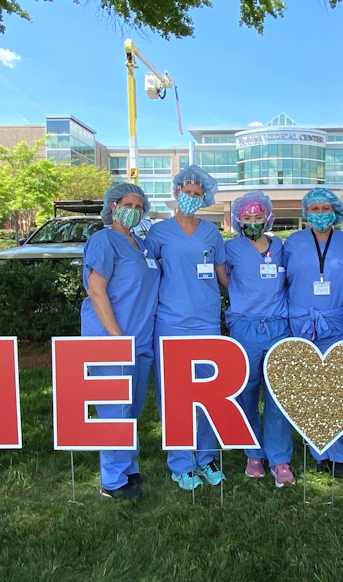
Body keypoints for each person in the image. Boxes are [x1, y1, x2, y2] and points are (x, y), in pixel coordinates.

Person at [146, 165, 230, 491]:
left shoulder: (211, 233)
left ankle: (206, 458)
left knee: (209, 393)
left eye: (198, 194)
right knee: (175, 396)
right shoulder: (158, 233)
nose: (192, 198)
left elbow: (224, 278)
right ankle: (181, 463)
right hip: (170, 323)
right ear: (176, 193)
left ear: (205, 197)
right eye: (187, 193)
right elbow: (147, 274)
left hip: (207, 322)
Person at [81, 183, 159, 501]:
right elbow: (96, 290)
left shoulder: (141, 245)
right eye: (129, 204)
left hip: (140, 340)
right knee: (114, 408)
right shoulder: (103, 240)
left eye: (140, 207)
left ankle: (127, 466)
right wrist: (116, 337)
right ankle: (111, 480)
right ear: (113, 206)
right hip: (113, 339)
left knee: (132, 407)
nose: (135, 210)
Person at [283, 187, 343, 477]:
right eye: (314, 209)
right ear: (305, 213)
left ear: (336, 212)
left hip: (335, 323)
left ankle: (338, 453)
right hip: (301, 324)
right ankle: (318, 449)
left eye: (325, 209)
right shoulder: (291, 243)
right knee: (309, 388)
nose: (319, 215)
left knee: (335, 389)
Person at [224, 190, 295, 487]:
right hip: (245, 328)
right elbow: (222, 278)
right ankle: (254, 452)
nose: (253, 221)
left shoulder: (280, 247)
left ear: (268, 217)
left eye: (258, 216)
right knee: (246, 392)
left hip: (279, 327)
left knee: (278, 395)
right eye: (247, 218)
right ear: (238, 220)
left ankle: (280, 459)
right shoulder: (230, 249)